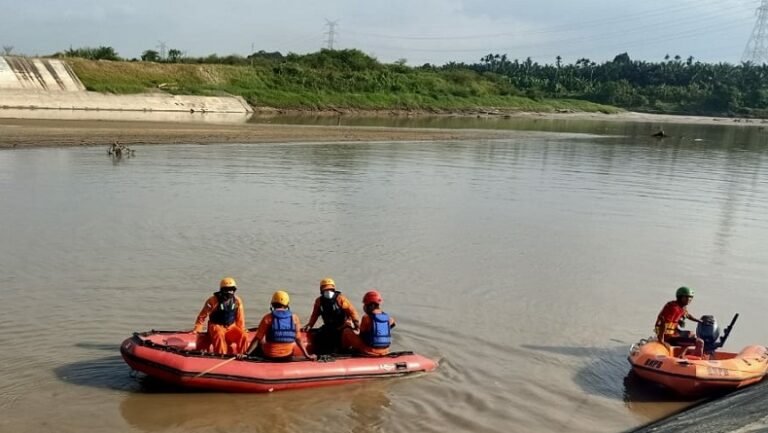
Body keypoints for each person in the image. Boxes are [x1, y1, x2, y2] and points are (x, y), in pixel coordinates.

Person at [243, 290, 315, 361]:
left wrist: (246, 354)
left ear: (272, 304)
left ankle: (252, 361)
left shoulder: (267, 318)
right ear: (287, 304)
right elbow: (298, 339)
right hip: (287, 355)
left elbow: (257, 339)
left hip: (270, 355)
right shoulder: (294, 318)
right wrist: (307, 355)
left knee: (261, 339)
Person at [301, 277, 360, 354]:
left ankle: (341, 351)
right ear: (321, 290)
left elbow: (352, 312)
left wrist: (356, 326)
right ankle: (321, 353)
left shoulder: (340, 299)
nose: (328, 292)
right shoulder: (319, 301)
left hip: (342, 326)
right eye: (326, 290)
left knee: (338, 337)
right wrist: (309, 325)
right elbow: (314, 315)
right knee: (318, 337)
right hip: (329, 326)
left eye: (330, 290)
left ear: (333, 290)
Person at [193, 277, 248, 355]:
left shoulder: (237, 301)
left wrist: (242, 329)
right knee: (219, 334)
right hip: (216, 326)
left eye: (232, 289)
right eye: (227, 289)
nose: (229, 292)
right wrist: (197, 329)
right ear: (222, 290)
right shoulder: (212, 301)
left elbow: (240, 318)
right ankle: (221, 355)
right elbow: (202, 316)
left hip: (231, 327)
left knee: (244, 336)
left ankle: (243, 355)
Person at [341, 290, 396, 356]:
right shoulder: (388, 318)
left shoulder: (366, 318)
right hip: (385, 350)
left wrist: (350, 327)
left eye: (365, 304)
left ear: (369, 305)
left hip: (369, 350)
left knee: (346, 331)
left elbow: (362, 336)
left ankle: (343, 353)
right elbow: (392, 325)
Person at [655, 286, 704, 357]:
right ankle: (698, 362)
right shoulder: (673, 308)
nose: (689, 299)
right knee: (700, 342)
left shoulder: (681, 307)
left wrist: (699, 321)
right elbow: (662, 321)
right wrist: (661, 340)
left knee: (691, 334)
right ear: (680, 297)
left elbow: (688, 315)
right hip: (668, 336)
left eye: (690, 298)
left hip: (673, 333)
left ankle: (681, 356)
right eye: (686, 297)